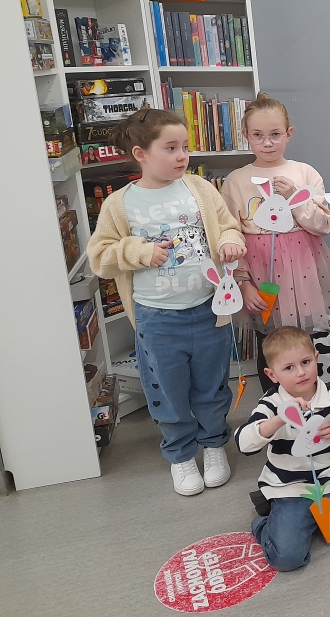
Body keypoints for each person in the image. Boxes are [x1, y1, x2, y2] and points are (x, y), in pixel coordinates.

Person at [87, 108, 246, 496]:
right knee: (167, 390)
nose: (182, 156)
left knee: (213, 385)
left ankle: (213, 446)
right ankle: (180, 454)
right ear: (141, 154)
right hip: (157, 317)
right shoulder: (119, 204)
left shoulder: (200, 189)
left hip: (210, 310)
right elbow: (100, 257)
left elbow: (228, 226)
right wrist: (139, 252)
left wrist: (230, 241)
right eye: (171, 148)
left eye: (185, 147)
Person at [235, 326, 330, 571]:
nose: (301, 372)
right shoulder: (271, 403)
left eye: (306, 362)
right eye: (289, 368)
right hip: (291, 489)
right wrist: (278, 420)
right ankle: (264, 523)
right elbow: (243, 442)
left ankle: (317, 520)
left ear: (316, 358)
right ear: (272, 374)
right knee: (287, 558)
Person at [221, 93, 330, 391]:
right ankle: (274, 400)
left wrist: (294, 197)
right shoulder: (235, 180)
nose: (267, 143)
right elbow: (230, 234)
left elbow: (323, 225)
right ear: (246, 135)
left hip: (302, 269)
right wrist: (244, 283)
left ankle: (308, 397)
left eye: (275, 134)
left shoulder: (304, 172)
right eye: (258, 135)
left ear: (289, 134)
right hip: (261, 271)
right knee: (269, 340)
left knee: (302, 339)